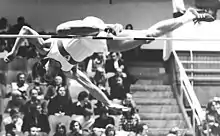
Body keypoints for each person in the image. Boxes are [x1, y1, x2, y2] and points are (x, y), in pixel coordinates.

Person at [4, 8, 214, 110]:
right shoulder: (69, 70)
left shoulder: (44, 49)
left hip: (86, 28)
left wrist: (13, 53)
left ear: (44, 67)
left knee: (61, 29)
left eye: (48, 75)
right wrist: (109, 104)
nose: (52, 76)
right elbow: (92, 88)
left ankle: (106, 27)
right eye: (51, 78)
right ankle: (189, 16)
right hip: (101, 42)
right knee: (149, 36)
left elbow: (24, 29)